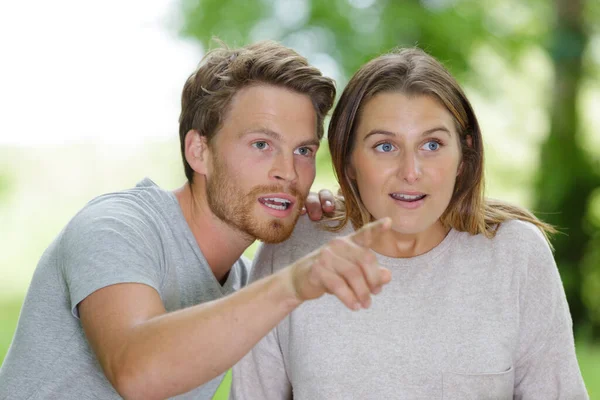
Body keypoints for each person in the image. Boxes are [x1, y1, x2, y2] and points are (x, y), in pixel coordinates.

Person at [0, 40, 395, 400]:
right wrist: (292, 283)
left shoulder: (242, 280)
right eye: (262, 145)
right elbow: (137, 371)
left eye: (304, 150)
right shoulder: (115, 227)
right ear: (198, 152)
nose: (288, 172)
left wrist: (322, 232)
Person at [231, 47, 590, 399]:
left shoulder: (516, 254)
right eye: (385, 147)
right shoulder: (293, 250)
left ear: (463, 156)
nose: (411, 172)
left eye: (432, 145)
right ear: (349, 159)